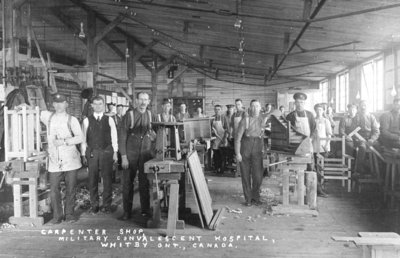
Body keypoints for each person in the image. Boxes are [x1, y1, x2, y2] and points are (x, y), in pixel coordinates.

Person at [17, 94, 84, 224]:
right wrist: (24, 106)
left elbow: (80, 138)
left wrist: (64, 141)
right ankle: (57, 216)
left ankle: (69, 214)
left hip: (70, 159)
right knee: (54, 189)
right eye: (56, 103)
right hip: (54, 160)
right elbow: (35, 111)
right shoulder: (48, 116)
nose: (58, 105)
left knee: (71, 188)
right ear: (53, 105)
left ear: (66, 104)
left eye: (61, 102)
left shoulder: (72, 120)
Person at [118, 92, 157, 220]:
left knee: (145, 183)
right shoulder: (129, 115)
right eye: (141, 99)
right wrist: (123, 156)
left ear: (149, 101)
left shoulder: (151, 115)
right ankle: (127, 212)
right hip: (130, 155)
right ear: (136, 101)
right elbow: (122, 137)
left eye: (145, 100)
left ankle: (145, 210)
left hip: (145, 154)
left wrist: (154, 138)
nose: (143, 102)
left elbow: (155, 134)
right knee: (127, 184)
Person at [81, 96, 119, 214]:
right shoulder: (86, 121)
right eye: (95, 104)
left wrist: (115, 153)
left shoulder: (110, 120)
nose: (98, 106)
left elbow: (114, 137)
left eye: (100, 104)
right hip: (92, 152)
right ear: (92, 106)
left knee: (107, 180)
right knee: (92, 180)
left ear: (103, 105)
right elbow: (83, 139)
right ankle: (95, 206)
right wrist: (83, 154)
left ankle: (107, 205)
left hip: (107, 152)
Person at [286, 93, 327, 197]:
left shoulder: (309, 115)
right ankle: (300, 191)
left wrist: (310, 139)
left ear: (304, 103)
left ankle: (316, 190)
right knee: (297, 169)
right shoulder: (290, 116)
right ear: (294, 103)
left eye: (302, 102)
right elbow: (287, 132)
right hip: (296, 146)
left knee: (311, 168)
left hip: (308, 145)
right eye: (298, 102)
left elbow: (314, 130)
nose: (300, 104)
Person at [235, 99, 267, 206]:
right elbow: (238, 138)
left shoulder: (263, 120)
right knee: (245, 175)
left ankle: (256, 197)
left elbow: (265, 135)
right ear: (249, 108)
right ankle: (248, 199)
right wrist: (237, 153)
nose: (255, 108)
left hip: (258, 148)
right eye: (253, 106)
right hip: (245, 148)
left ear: (260, 107)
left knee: (258, 176)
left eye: (257, 106)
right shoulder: (245, 120)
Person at [353, 100, 380, 175]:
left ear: (368, 106)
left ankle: (377, 171)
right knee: (362, 147)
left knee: (379, 147)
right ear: (359, 107)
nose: (363, 107)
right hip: (359, 139)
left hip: (370, 139)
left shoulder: (372, 117)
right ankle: (359, 169)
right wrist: (360, 138)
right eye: (362, 105)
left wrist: (372, 139)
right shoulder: (356, 118)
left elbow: (376, 131)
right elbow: (353, 131)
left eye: (365, 105)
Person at [211, 104, 228, 173]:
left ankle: (222, 169)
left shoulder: (223, 117)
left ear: (221, 110)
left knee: (222, 155)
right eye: (216, 109)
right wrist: (212, 132)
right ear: (214, 110)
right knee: (215, 154)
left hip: (222, 138)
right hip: (215, 138)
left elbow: (226, 129)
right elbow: (210, 128)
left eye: (218, 109)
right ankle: (216, 168)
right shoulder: (212, 118)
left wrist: (225, 139)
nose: (217, 111)